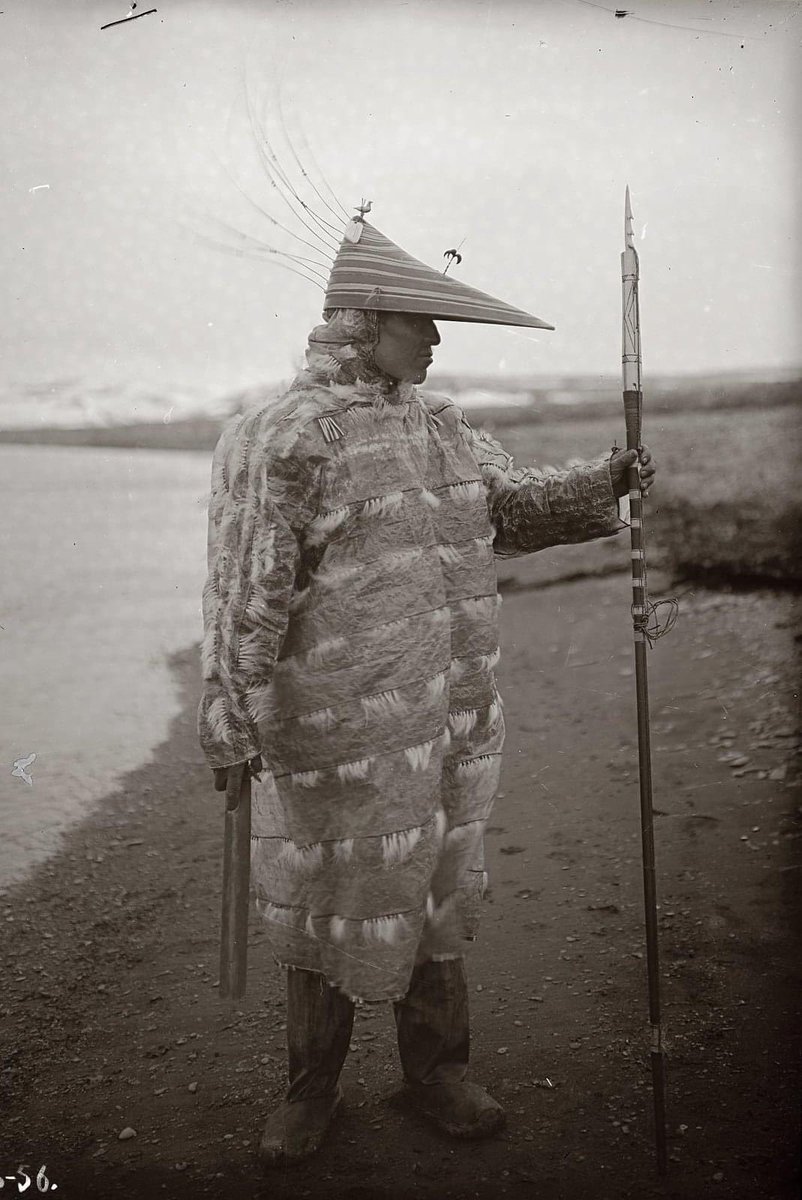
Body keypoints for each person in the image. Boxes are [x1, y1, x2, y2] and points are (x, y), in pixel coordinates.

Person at [198, 212, 655, 1167]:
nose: (438, 340)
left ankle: (437, 1072)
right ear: (364, 320)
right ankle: (308, 1091)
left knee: (437, 890)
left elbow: (508, 511)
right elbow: (247, 589)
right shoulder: (282, 438)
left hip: (448, 715)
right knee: (331, 898)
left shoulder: (440, 426)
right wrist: (230, 714)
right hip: (334, 728)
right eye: (422, 322)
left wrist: (603, 480)